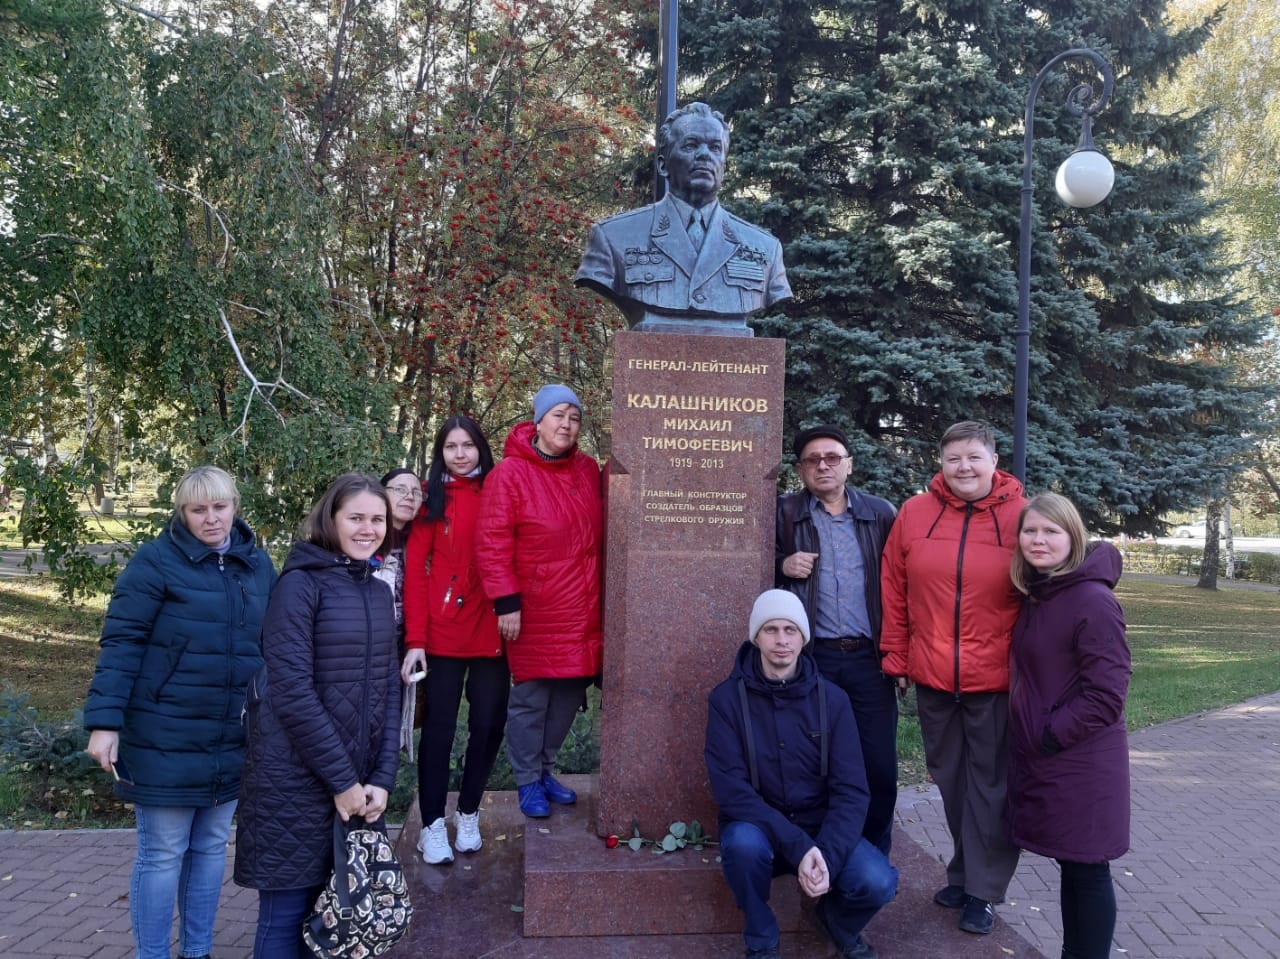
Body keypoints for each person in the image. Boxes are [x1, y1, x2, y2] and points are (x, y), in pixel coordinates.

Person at [84, 466, 276, 959]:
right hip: (162, 731)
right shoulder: (155, 563)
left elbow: (276, 645)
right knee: (163, 853)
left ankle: (197, 952)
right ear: (182, 512)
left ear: (235, 506)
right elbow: (121, 644)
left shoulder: (256, 564)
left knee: (211, 848)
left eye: (220, 507)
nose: (211, 519)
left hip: (230, 735)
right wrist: (104, 723)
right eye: (198, 509)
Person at [233, 473, 401, 959]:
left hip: (357, 789)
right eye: (356, 518)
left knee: (336, 923)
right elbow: (291, 693)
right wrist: (343, 780)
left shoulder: (376, 590)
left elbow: (389, 691)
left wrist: (381, 780)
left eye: (378, 519)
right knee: (285, 922)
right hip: (294, 783)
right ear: (330, 519)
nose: (368, 529)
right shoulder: (299, 587)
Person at [879, 420, 1025, 935]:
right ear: (940, 463)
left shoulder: (1022, 516)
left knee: (992, 786)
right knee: (952, 782)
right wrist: (896, 654)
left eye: (973, 457)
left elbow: (1049, 580)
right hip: (934, 678)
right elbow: (893, 586)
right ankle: (964, 873)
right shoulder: (916, 513)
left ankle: (984, 891)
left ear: (993, 459)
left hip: (996, 681)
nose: (964, 468)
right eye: (953, 459)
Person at [706, 589, 897, 959]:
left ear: (804, 638)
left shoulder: (833, 700)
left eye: (791, 630)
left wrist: (823, 852)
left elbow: (852, 791)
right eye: (771, 630)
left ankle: (836, 921)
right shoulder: (726, 700)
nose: (781, 640)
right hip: (757, 827)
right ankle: (761, 937)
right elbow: (732, 792)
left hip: (820, 826)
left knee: (878, 881)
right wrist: (799, 846)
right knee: (742, 847)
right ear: (756, 637)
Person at [1009, 493, 1131, 959]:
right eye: (1030, 530)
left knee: (1088, 868)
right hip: (1056, 758)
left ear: (1072, 537)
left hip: (1081, 759)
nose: (1038, 540)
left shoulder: (1092, 600)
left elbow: (1107, 693)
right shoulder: (1044, 594)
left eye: (1050, 531)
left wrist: (1048, 733)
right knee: (1075, 865)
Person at [475, 384, 603, 818]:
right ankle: (527, 779)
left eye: (574, 417)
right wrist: (506, 601)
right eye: (558, 416)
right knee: (532, 698)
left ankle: (546, 770)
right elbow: (491, 541)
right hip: (535, 609)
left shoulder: (587, 470)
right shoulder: (510, 474)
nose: (566, 425)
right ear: (538, 421)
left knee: (568, 693)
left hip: (582, 607)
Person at [775, 424, 898, 854]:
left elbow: (902, 584)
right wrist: (782, 564)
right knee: (817, 761)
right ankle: (824, 849)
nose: (822, 465)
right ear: (801, 470)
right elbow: (746, 564)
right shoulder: (786, 513)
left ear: (849, 464)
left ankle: (874, 852)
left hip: (869, 660)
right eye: (812, 460)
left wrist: (899, 654)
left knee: (878, 765)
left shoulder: (880, 514)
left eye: (832, 458)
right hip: (815, 659)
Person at [575, 101, 791, 336]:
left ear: (724, 166)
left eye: (715, 148)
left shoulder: (766, 249)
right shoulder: (613, 237)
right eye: (691, 145)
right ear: (662, 164)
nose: (704, 155)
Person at [401, 416, 508, 864]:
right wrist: (416, 640)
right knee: (440, 732)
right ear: (440, 452)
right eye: (451, 446)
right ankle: (430, 824)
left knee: (487, 725)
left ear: (481, 449)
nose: (460, 454)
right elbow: (414, 573)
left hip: (494, 630)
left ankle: (467, 813)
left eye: (468, 445)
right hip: (443, 633)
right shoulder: (432, 500)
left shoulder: (501, 489)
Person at [377, 466, 423, 634]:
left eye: (416, 493)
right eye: (400, 489)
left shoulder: (420, 545)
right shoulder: (363, 541)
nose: (410, 497)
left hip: (407, 641)